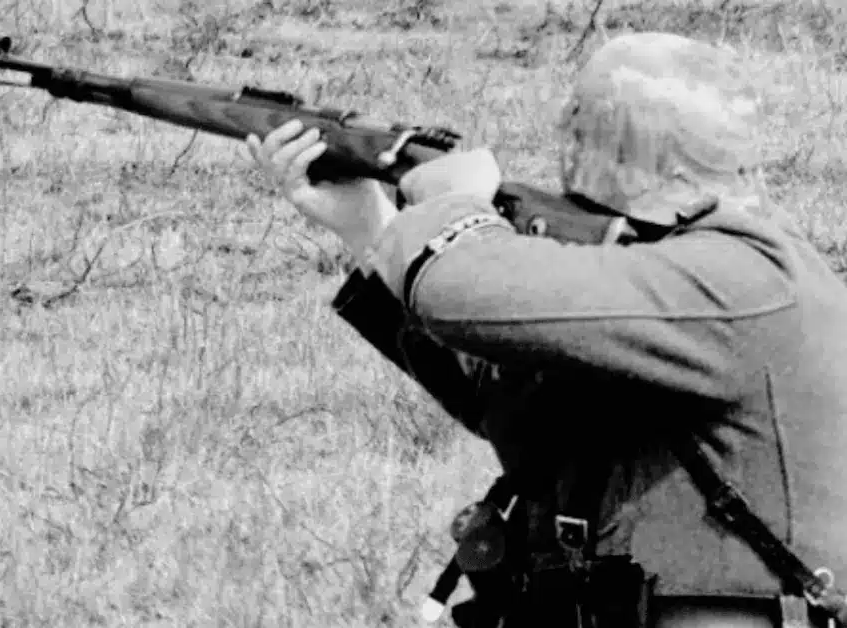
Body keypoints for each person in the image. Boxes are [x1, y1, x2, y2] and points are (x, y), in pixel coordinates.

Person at [245, 32, 847, 628]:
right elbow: (508, 405)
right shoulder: (671, 277)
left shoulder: (743, 275)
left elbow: (458, 289)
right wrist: (371, 229)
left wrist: (449, 203)